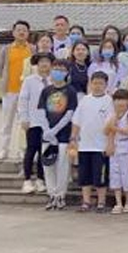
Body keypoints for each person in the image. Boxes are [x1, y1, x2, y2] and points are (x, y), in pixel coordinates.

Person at [37, 61, 78, 210]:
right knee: (48, 166)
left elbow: (70, 113)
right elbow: (41, 111)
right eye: (56, 69)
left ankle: (61, 195)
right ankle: (51, 194)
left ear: (67, 73)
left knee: (62, 166)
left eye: (62, 70)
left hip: (64, 135)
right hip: (47, 136)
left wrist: (55, 130)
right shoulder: (46, 90)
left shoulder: (71, 91)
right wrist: (47, 131)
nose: (58, 72)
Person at [71, 71, 114, 213]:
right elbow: (76, 121)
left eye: (101, 83)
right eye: (95, 83)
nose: (97, 86)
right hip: (84, 146)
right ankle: (86, 202)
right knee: (85, 176)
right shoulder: (85, 100)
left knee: (100, 176)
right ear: (90, 84)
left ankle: (101, 202)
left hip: (100, 146)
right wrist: (73, 139)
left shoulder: (109, 101)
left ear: (106, 85)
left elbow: (111, 125)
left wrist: (109, 143)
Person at [0, 20, 33, 161]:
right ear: (13, 32)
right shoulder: (6, 49)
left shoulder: (32, 49)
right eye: (19, 30)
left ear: (28, 33)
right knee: (7, 122)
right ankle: (4, 149)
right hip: (10, 91)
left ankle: (22, 150)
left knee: (23, 122)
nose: (21, 32)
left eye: (24, 30)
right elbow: (0, 68)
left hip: (26, 93)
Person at [17, 52, 51, 195]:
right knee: (31, 150)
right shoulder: (29, 80)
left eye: (47, 61)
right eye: (41, 61)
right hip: (33, 121)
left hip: (48, 123)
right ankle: (27, 180)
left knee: (44, 151)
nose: (44, 64)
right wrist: (24, 118)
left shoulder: (53, 81)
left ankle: (40, 179)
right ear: (36, 64)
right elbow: (23, 100)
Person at [104, 88, 128, 215]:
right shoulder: (111, 114)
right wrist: (113, 123)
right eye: (117, 100)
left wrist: (114, 127)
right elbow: (106, 131)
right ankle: (118, 203)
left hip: (126, 147)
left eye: (122, 99)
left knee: (126, 175)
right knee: (115, 175)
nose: (120, 102)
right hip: (114, 147)